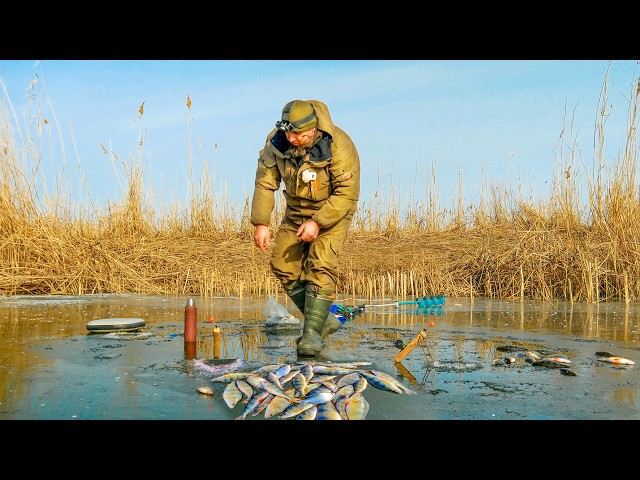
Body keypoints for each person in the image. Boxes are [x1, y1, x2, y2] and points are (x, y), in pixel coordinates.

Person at [250, 99, 360, 357]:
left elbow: (347, 194)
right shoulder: (275, 143)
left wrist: (318, 222)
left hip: (332, 211)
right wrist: (262, 223)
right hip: (296, 211)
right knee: (281, 263)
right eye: (288, 132)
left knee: (320, 265)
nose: (292, 138)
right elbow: (265, 183)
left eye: (298, 134)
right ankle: (325, 321)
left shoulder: (339, 144)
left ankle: (312, 334)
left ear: (312, 130)